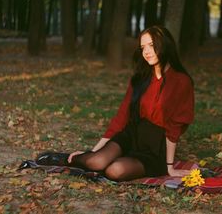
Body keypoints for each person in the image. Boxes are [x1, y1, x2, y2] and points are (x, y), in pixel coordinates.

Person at [37, 25, 194, 181]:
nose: (146, 52)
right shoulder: (140, 79)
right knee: (96, 161)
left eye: (151, 45)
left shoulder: (181, 81)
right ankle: (69, 159)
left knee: (115, 171)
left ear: (164, 44)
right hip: (132, 135)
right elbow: (121, 117)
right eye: (143, 47)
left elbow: (175, 127)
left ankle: (108, 162)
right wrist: (93, 151)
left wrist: (169, 167)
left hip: (155, 148)